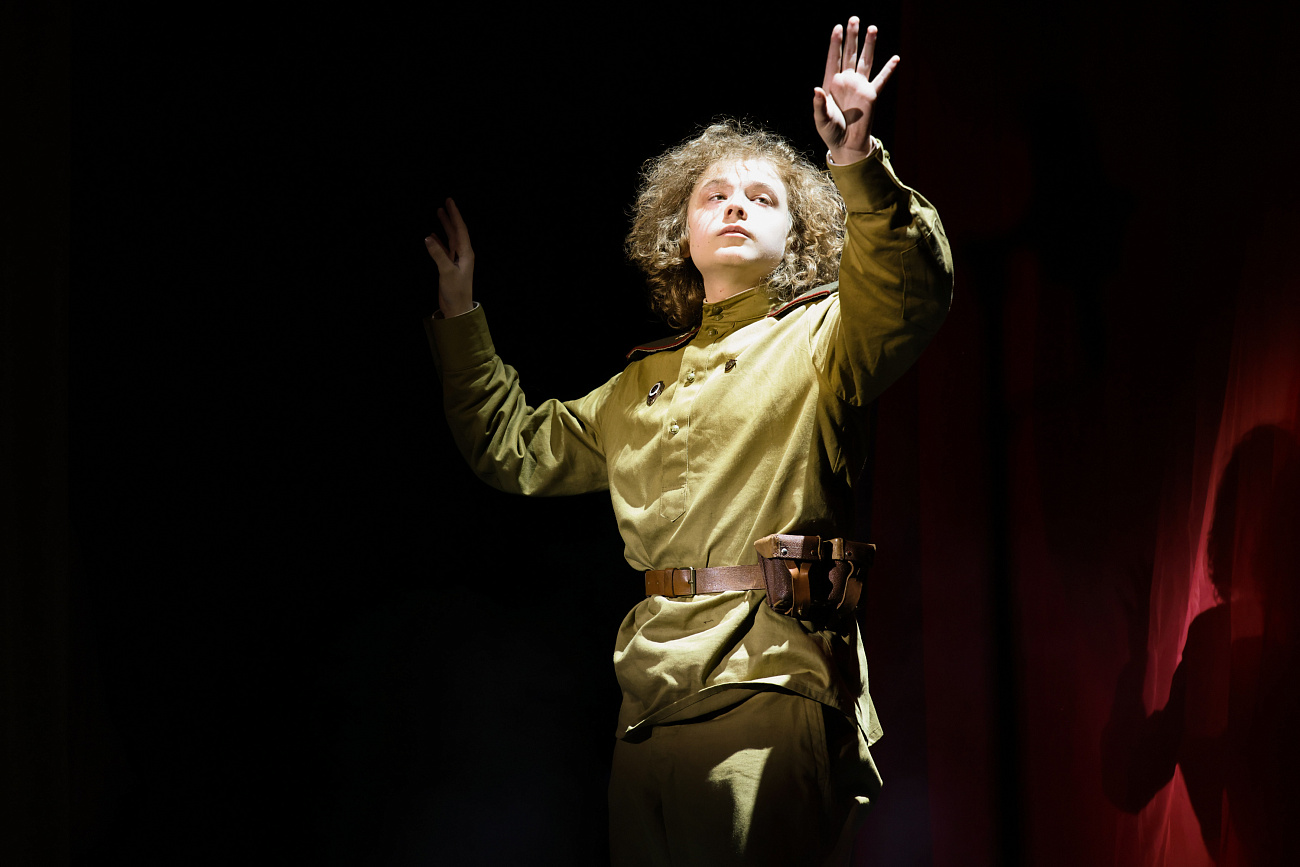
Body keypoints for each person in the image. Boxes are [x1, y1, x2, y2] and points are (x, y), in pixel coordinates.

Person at [423, 16, 953, 866]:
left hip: (770, 683)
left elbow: (908, 288)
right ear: (681, 234)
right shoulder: (638, 384)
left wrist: (855, 159)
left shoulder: (824, 334)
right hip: (648, 705)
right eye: (715, 196)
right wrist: (460, 317)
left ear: (797, 238)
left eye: (763, 199)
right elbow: (510, 446)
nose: (736, 205)